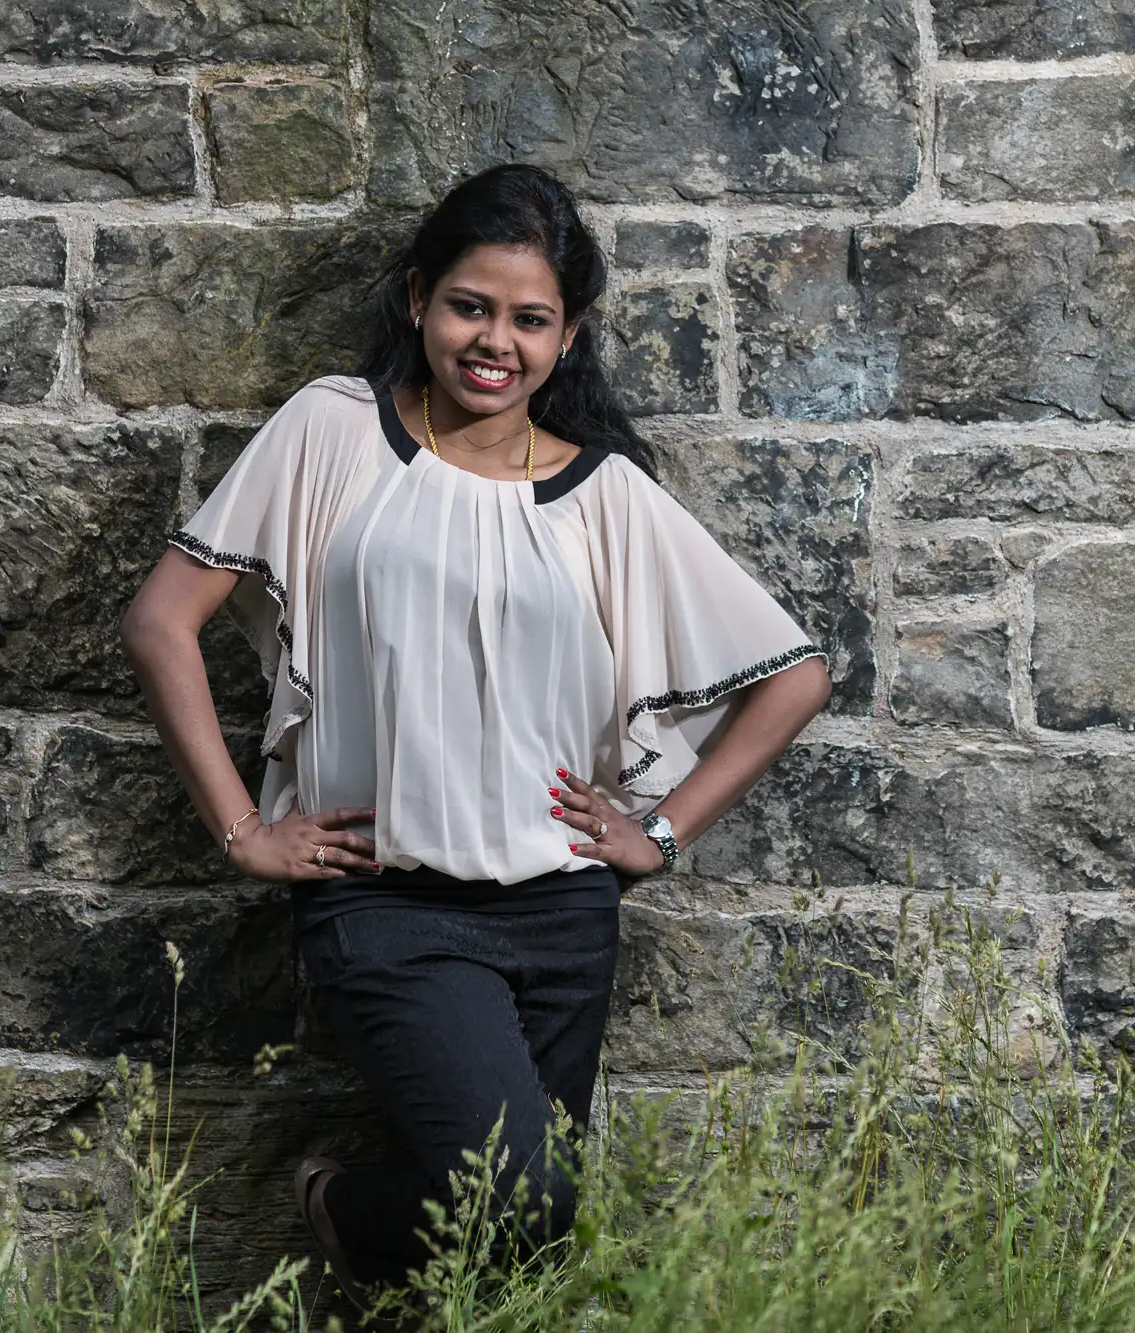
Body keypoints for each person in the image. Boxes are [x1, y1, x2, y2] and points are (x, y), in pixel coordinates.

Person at [117, 163, 832, 1308]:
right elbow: (161, 621)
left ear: (568, 335)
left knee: (518, 1258)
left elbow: (794, 676)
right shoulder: (331, 432)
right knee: (516, 1190)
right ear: (416, 299)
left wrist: (658, 831)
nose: (494, 340)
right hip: (388, 903)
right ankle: (340, 1206)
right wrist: (244, 830)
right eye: (470, 305)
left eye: (529, 319)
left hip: (560, 912)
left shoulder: (604, 497)